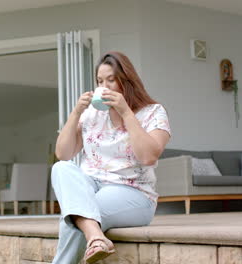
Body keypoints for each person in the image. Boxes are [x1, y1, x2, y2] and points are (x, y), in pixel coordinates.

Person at [51, 51, 171, 264]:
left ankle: (90, 239)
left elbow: (148, 157)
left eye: (110, 80)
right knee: (61, 168)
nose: (103, 86)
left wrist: (125, 112)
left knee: (77, 212)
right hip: (92, 185)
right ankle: (96, 237)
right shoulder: (92, 114)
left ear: (126, 81)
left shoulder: (153, 112)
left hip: (134, 194)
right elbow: (63, 154)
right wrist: (76, 113)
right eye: (99, 81)